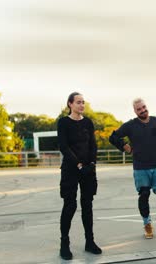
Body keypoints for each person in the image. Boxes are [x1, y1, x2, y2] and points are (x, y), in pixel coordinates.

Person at [109, 98, 156, 239]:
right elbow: (113, 137)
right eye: (139, 109)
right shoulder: (130, 125)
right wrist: (125, 146)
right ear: (135, 111)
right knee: (144, 195)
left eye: (144, 107)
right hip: (140, 168)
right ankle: (147, 224)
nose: (143, 110)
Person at [57, 92, 102, 260]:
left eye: (83, 102)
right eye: (78, 102)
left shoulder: (88, 122)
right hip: (70, 169)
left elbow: (93, 145)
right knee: (70, 205)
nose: (82, 105)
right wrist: (78, 164)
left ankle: (89, 242)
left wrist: (91, 164)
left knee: (87, 205)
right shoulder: (63, 123)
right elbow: (64, 146)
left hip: (88, 170)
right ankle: (64, 244)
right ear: (70, 104)